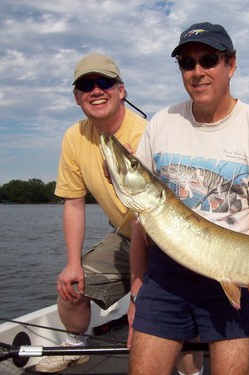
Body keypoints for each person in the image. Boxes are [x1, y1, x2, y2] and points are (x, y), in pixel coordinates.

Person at [129, 22, 249, 375]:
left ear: (230, 65)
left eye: (208, 60)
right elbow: (142, 221)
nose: (197, 71)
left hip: (233, 271)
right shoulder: (161, 123)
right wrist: (136, 289)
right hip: (166, 276)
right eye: (187, 63)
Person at [35, 52, 147, 373]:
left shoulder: (147, 135)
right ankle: (75, 345)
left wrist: (140, 296)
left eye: (105, 82)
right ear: (77, 97)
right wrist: (73, 265)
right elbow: (73, 202)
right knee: (72, 287)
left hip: (163, 239)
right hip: (128, 237)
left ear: (121, 90)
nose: (96, 90)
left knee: (162, 314)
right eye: (86, 85)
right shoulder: (74, 137)